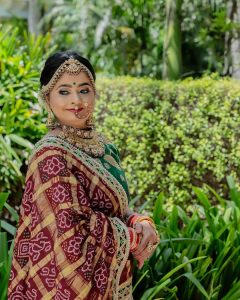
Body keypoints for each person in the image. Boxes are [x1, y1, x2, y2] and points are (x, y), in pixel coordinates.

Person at [8, 50, 160, 300]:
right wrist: (133, 240)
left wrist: (139, 222)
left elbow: (113, 210)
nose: (76, 100)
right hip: (68, 285)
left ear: (95, 92)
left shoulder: (105, 147)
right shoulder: (50, 155)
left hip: (114, 283)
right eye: (64, 91)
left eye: (84, 89)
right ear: (47, 97)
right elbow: (73, 229)